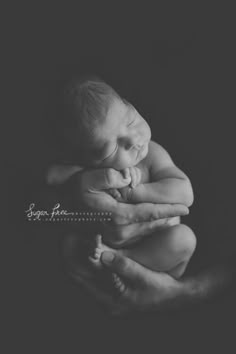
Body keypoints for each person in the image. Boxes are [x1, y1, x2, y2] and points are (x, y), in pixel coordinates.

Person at [47, 75, 196, 284]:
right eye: (113, 147)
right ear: (87, 160)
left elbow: (185, 194)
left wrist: (137, 192)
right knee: (69, 244)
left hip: (160, 247)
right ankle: (106, 271)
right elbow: (52, 179)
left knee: (185, 239)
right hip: (104, 245)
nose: (134, 140)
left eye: (131, 120)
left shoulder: (152, 154)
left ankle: (121, 260)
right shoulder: (88, 172)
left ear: (131, 104)